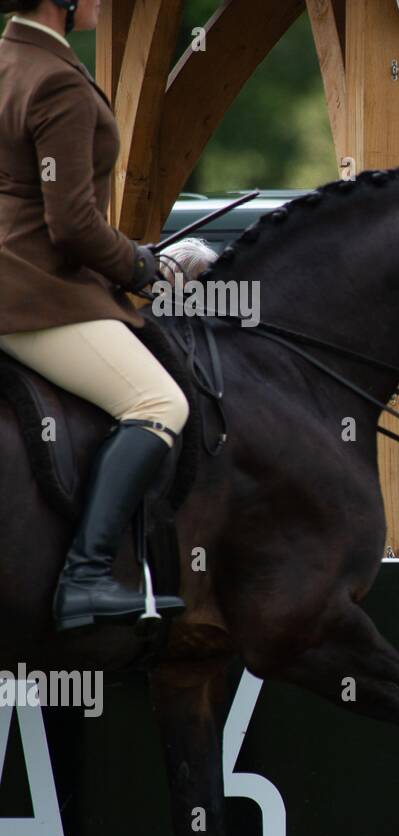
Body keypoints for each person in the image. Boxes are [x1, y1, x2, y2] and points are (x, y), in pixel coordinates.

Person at [0, 1, 187, 631]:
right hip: (33, 292)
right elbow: (73, 225)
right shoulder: (52, 78)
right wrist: (143, 267)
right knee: (160, 405)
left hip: (22, 278)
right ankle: (85, 577)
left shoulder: (7, 61)